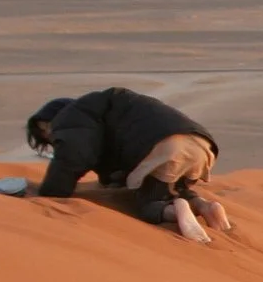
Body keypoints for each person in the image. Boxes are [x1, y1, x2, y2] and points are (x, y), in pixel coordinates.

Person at [24, 89, 232, 243]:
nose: (49, 135)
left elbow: (73, 157)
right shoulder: (103, 111)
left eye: (46, 128)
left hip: (167, 147)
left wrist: (51, 193)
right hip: (201, 145)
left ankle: (175, 210)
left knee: (150, 204)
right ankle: (204, 206)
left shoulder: (70, 118)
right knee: (176, 188)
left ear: (55, 117)